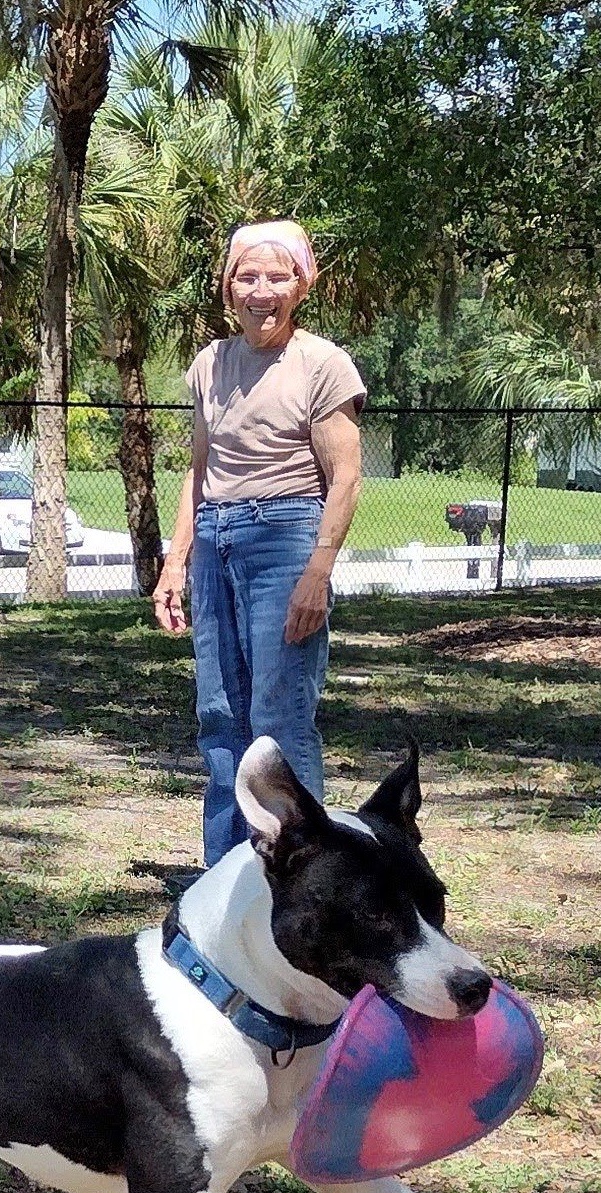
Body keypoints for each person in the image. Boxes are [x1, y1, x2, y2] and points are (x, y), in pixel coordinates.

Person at [152, 220, 365, 866]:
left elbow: (347, 475)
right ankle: (226, 880)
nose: (261, 290)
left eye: (277, 276)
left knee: (278, 722)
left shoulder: (323, 364)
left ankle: (300, 880)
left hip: (286, 538)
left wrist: (317, 573)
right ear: (228, 287)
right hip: (216, 541)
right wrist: (175, 563)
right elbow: (199, 472)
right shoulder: (211, 366)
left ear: (302, 285)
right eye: (247, 276)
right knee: (220, 717)